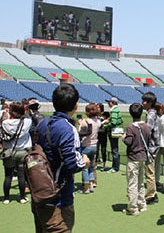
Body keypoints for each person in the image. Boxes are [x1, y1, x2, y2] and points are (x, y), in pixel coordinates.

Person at [31, 83, 90, 232]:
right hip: (58, 198)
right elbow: (73, 163)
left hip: (39, 192)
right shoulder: (67, 128)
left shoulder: (42, 124)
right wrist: (85, 162)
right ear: (76, 105)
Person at [121, 103, 150, 216]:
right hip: (143, 156)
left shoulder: (131, 127)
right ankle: (142, 203)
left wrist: (124, 137)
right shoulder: (146, 126)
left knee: (132, 183)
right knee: (140, 182)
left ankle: (132, 208)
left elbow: (129, 142)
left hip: (133, 157)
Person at [1, 102, 32, 204]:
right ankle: (22, 197)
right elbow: (27, 116)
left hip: (9, 151)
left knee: (8, 176)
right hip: (22, 151)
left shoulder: (5, 123)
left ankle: (6, 198)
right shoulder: (27, 122)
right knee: (21, 175)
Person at [78, 103, 102, 194]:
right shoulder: (98, 121)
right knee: (91, 166)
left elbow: (80, 132)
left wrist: (80, 123)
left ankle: (86, 187)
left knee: (84, 167)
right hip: (94, 146)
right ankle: (91, 185)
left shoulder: (85, 121)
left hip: (86, 146)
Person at [141, 92, 160, 205]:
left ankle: (151, 195)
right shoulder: (152, 114)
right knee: (150, 172)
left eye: (144, 101)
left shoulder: (150, 115)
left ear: (150, 103)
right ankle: (153, 193)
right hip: (154, 146)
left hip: (151, 148)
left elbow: (147, 131)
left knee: (149, 173)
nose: (142, 103)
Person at [103, 97, 123, 173]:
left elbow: (113, 122)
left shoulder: (114, 111)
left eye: (109, 102)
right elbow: (120, 120)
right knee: (115, 149)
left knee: (114, 149)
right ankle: (116, 166)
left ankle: (115, 167)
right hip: (115, 131)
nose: (108, 103)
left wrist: (105, 125)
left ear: (113, 103)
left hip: (113, 132)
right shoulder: (117, 110)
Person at [154, 102, 164, 191]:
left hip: (157, 142)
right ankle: (155, 181)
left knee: (157, 162)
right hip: (157, 143)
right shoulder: (158, 118)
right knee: (156, 163)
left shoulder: (157, 117)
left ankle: (156, 180)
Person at [96, 103, 108, 171]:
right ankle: (96, 164)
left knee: (103, 150)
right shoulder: (95, 116)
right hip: (97, 134)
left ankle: (104, 165)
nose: (97, 109)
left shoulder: (105, 115)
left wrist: (103, 121)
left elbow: (107, 122)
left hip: (103, 134)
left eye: (98, 107)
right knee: (96, 150)